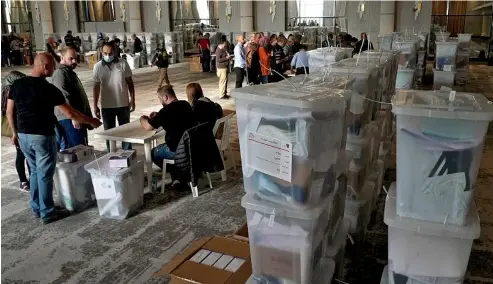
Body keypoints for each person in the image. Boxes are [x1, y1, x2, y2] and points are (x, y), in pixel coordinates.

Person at [6, 53, 101, 224]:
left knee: (34, 171)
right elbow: (70, 113)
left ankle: (37, 207)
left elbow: (9, 111)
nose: (54, 68)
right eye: (52, 65)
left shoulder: (17, 85)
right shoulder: (48, 89)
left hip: (23, 136)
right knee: (45, 174)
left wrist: (14, 133)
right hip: (42, 136)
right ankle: (47, 212)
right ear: (43, 66)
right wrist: (91, 121)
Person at [140, 85, 197, 170]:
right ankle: (179, 176)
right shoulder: (185, 104)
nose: (160, 101)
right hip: (193, 146)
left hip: (178, 149)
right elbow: (175, 117)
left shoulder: (165, 112)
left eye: (159, 98)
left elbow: (148, 127)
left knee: (152, 153)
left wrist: (143, 118)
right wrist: (158, 115)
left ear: (165, 97)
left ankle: (177, 174)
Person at [93, 42, 135, 151]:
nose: (107, 55)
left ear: (114, 52)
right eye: (105, 53)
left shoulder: (123, 63)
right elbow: (96, 88)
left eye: (110, 53)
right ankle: (110, 155)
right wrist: (95, 105)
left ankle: (128, 154)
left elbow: (130, 83)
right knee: (109, 135)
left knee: (126, 134)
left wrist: (132, 100)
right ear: (102, 53)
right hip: (107, 106)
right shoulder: (97, 67)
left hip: (123, 104)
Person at [52, 47, 93, 150]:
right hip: (69, 120)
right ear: (62, 57)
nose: (74, 61)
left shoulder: (69, 72)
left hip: (76, 117)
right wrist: (73, 118)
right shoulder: (60, 73)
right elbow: (63, 97)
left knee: (82, 148)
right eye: (71, 58)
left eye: (75, 58)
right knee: (76, 150)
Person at [2, 71, 30, 191]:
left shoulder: (19, 91)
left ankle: (31, 177)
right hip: (18, 129)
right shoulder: (8, 95)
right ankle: (23, 180)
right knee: (21, 154)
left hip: (25, 127)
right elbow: (9, 114)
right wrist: (14, 133)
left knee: (28, 155)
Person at [215, 35, 233, 99]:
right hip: (221, 68)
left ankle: (224, 93)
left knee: (225, 81)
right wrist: (226, 58)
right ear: (224, 42)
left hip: (224, 67)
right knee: (222, 82)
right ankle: (221, 95)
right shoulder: (219, 49)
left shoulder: (223, 48)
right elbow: (218, 60)